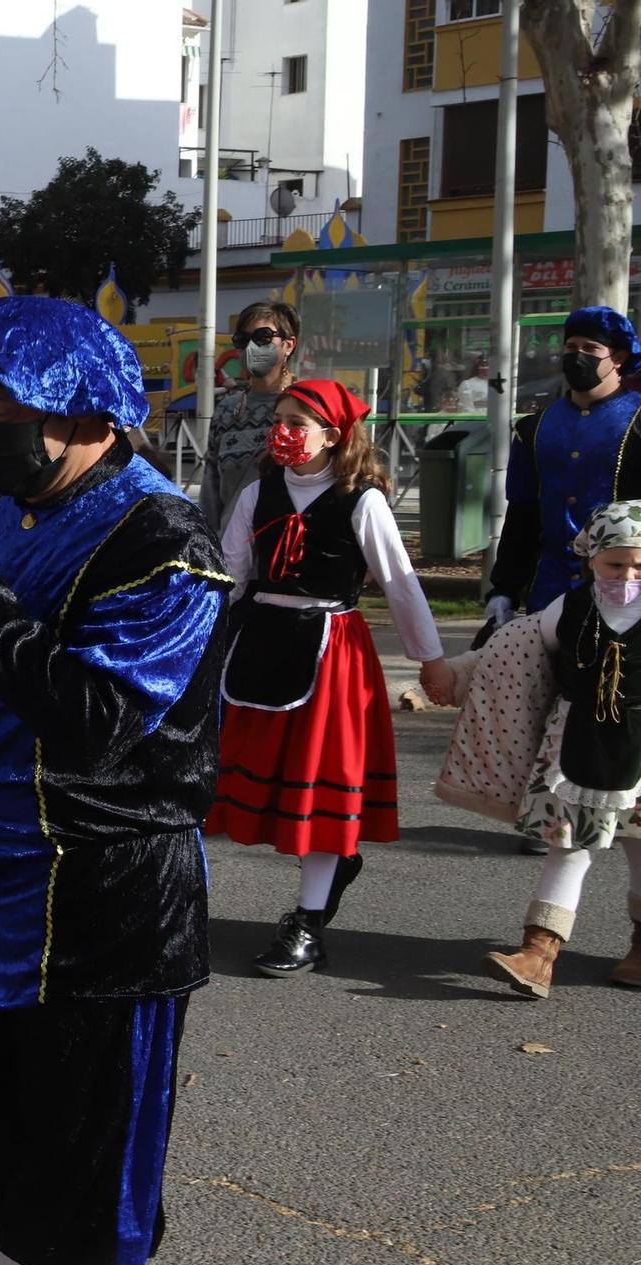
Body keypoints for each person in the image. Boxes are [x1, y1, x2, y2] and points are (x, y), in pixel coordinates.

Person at [0, 295, 229, 1265]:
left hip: (102, 912)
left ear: (93, 422)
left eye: (3, 416)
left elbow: (91, 720)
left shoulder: (163, 539)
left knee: (82, 1208)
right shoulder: (4, 513)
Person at [208, 381, 454, 976]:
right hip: (258, 644)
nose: (284, 431)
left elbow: (400, 584)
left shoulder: (361, 500)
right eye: (281, 419)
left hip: (330, 652)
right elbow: (228, 575)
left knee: (320, 786)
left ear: (333, 436)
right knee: (233, 779)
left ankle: (307, 921)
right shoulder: (258, 492)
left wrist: (432, 660)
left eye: (300, 421)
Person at [484, 501, 641, 998]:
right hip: (574, 746)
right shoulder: (567, 609)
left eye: (640, 565)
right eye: (617, 563)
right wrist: (459, 671)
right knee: (566, 846)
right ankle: (538, 953)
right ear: (591, 558)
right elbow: (515, 652)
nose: (628, 574)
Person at [485, 306, 641, 624]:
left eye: (590, 348)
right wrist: (505, 588)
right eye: (571, 347)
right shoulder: (534, 428)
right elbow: (522, 516)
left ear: (618, 358)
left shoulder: (638, 422)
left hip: (624, 595)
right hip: (550, 593)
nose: (577, 356)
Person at [198, 300, 301, 533]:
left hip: (289, 552)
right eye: (242, 340)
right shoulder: (227, 411)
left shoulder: (308, 405)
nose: (252, 347)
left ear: (288, 344)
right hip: (232, 552)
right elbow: (210, 493)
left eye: (263, 337)